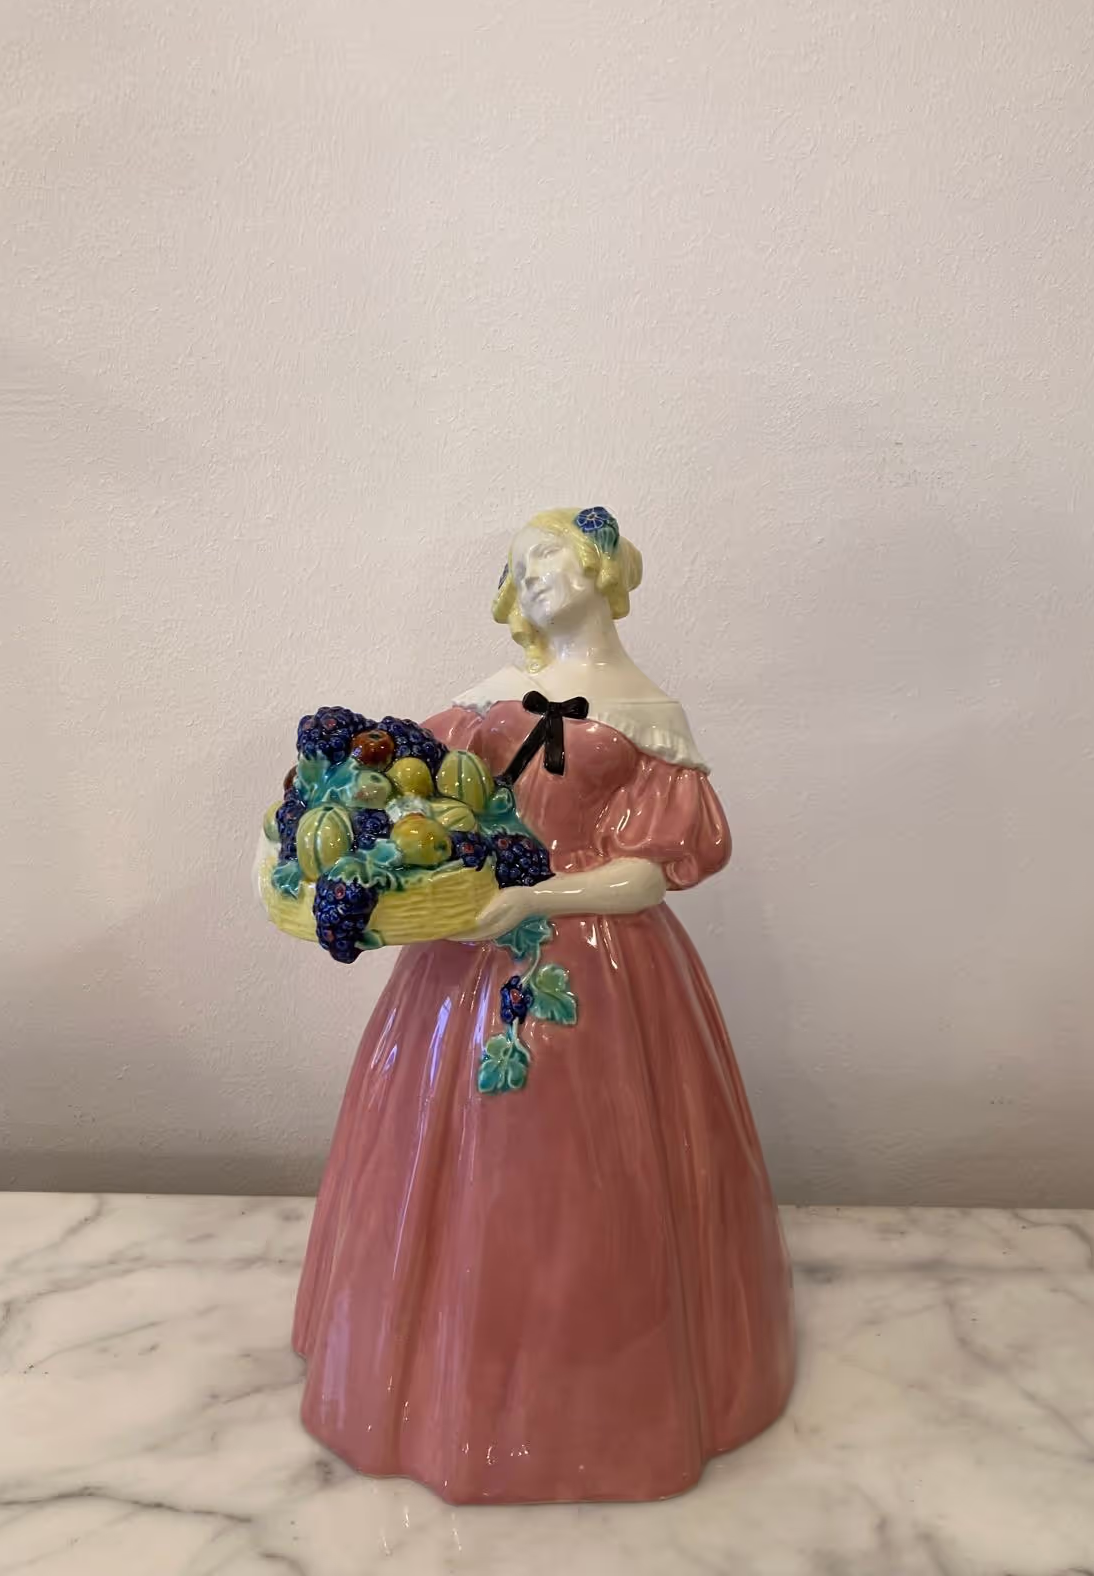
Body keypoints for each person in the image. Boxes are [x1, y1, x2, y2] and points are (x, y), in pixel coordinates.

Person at [290, 507, 795, 1503]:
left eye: (549, 555)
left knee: (591, 1176)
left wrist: (538, 899)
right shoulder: (480, 702)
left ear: (601, 567)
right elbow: (396, 791)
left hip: (602, 973)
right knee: (450, 1167)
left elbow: (647, 874)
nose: (532, 576)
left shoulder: (647, 714)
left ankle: (601, 1403)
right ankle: (435, 1386)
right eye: (517, 567)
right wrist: (320, 832)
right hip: (460, 967)